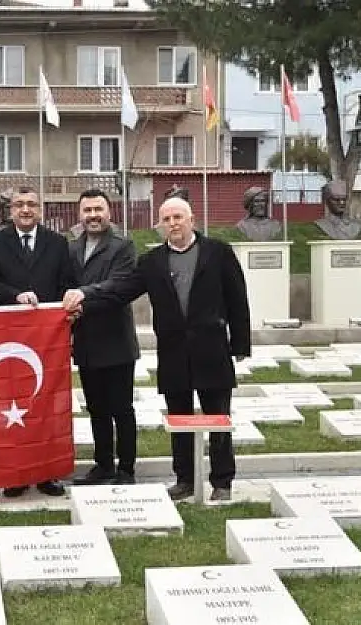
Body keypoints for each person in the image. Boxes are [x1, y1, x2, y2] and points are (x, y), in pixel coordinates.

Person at [62, 197, 251, 502]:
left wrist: (240, 343)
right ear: (160, 225)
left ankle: (222, 481)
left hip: (211, 349)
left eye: (178, 217)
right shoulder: (152, 262)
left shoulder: (219, 252)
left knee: (218, 417)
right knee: (179, 419)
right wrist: (85, 296)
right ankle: (185, 479)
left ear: (192, 219)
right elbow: (121, 291)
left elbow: (238, 298)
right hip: (174, 352)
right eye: (167, 219)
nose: (173, 224)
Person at [0, 185, 74, 499]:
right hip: (10, 340)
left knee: (46, 405)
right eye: (19, 204)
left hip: (47, 341)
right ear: (10, 210)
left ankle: (47, 473)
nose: (25, 210)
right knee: (12, 407)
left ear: (40, 209)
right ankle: (16, 473)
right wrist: (15, 296)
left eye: (31, 204)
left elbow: (67, 284)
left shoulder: (58, 243)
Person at [68, 189, 140, 486]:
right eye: (87, 210)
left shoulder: (123, 246)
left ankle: (126, 469)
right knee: (96, 408)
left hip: (116, 341)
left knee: (121, 408)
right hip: (85, 342)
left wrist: (83, 298)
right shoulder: (72, 248)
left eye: (98, 209)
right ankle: (103, 465)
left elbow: (119, 287)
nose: (93, 216)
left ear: (109, 212)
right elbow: (65, 284)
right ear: (80, 214)